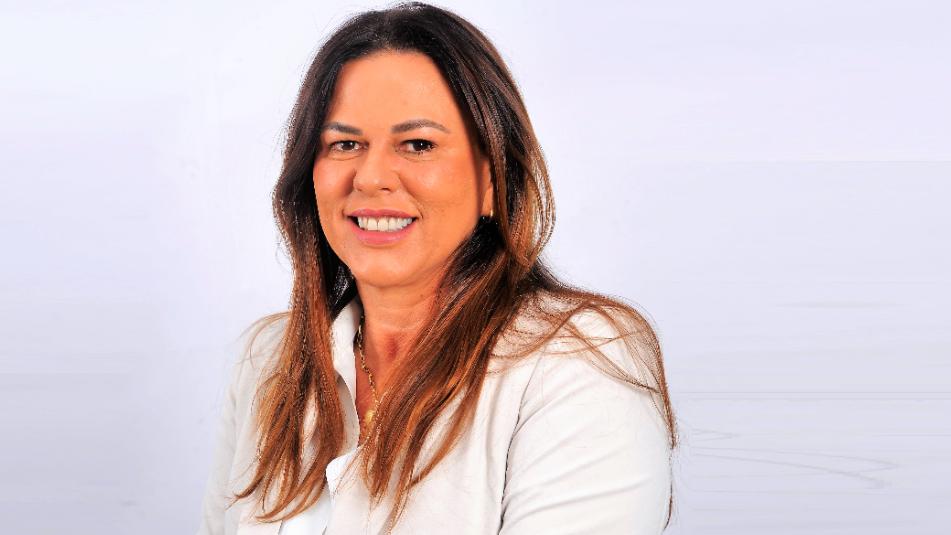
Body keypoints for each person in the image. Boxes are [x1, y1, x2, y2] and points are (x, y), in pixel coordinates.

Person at [197, 2, 676, 534]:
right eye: (345, 144)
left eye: (418, 144)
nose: (371, 177)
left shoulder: (578, 362)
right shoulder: (268, 359)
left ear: (492, 178)